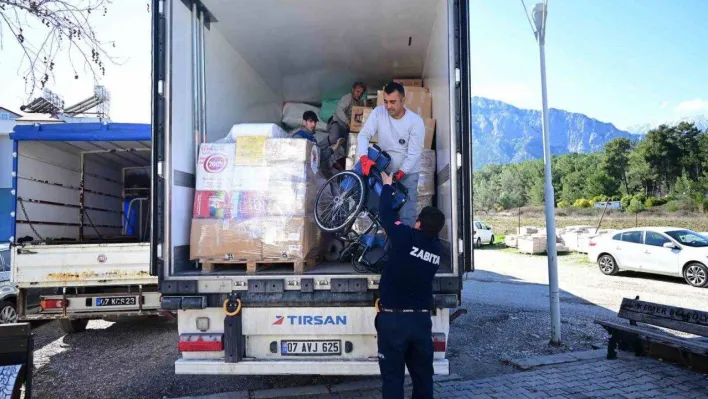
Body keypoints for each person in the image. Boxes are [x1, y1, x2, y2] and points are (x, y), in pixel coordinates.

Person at [375, 170, 445, 399]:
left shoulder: (405, 238)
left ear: (418, 223)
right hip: (420, 322)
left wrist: (386, 186)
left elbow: (385, 214)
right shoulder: (437, 251)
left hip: (394, 321)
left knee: (393, 378)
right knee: (423, 377)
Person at [357, 82, 424, 226]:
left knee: (407, 214)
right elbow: (364, 135)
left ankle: (404, 246)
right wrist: (363, 157)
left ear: (403, 100)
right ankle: (384, 245)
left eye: (393, 102)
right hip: (384, 169)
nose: (388, 107)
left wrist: (400, 173)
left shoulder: (415, 122)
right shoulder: (378, 112)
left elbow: (414, 153)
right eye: (386, 101)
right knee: (381, 210)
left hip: (408, 173)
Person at [292, 110, 344, 178]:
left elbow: (317, 155)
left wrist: (334, 147)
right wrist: (334, 148)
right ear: (304, 122)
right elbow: (317, 157)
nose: (313, 124)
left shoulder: (312, 139)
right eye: (310, 121)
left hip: (310, 174)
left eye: (315, 122)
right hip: (301, 174)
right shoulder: (299, 137)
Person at [328, 81, 366, 146]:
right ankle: (320, 147)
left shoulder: (359, 103)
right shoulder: (348, 98)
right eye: (357, 91)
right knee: (333, 140)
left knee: (350, 144)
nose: (359, 94)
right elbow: (339, 110)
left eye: (361, 93)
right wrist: (348, 122)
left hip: (345, 128)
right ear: (353, 90)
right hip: (336, 123)